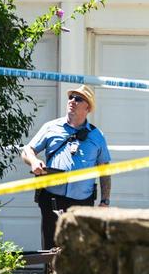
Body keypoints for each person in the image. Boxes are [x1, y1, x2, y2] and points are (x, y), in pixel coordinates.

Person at [20, 84, 112, 250]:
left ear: (88, 107)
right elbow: (27, 150)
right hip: (53, 200)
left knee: (80, 250)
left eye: (78, 99)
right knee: (51, 248)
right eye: (71, 97)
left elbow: (104, 169)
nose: (72, 101)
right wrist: (34, 161)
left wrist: (105, 201)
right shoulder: (51, 127)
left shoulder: (97, 136)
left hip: (82, 203)